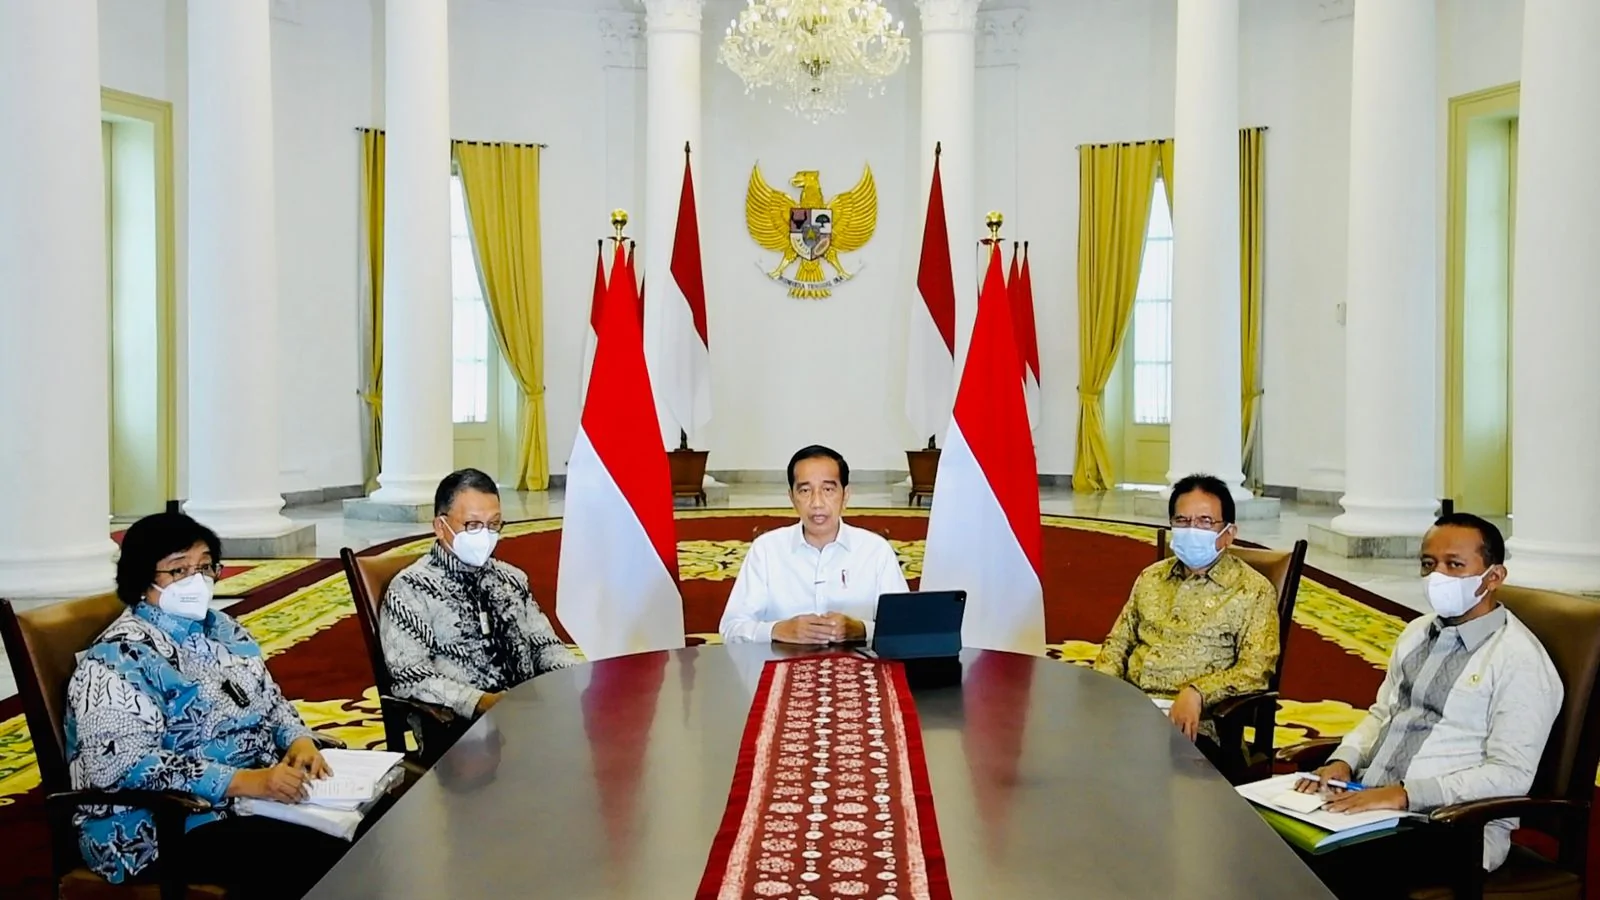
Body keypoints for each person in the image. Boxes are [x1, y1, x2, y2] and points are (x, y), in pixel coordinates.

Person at [65, 512, 348, 897]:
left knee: (368, 823)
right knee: (312, 856)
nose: (196, 582)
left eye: (204, 567)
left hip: (249, 798)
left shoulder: (222, 629)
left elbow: (271, 699)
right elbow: (124, 764)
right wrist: (246, 782)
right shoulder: (118, 658)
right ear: (141, 580)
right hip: (159, 823)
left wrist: (298, 741)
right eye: (178, 571)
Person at [1294, 513, 1561, 897]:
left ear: (1493, 577)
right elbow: (1382, 713)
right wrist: (1344, 760)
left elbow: (1511, 774)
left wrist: (1406, 794)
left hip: (1452, 827)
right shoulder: (1417, 632)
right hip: (1370, 802)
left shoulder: (1519, 660)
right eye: (1428, 564)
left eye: (1454, 565)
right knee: (1265, 834)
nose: (1438, 576)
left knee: (1327, 870)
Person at [1093, 474, 1279, 755]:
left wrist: (1198, 692)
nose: (1192, 529)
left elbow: (1256, 671)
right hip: (1129, 715)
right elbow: (1118, 643)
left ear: (1229, 533)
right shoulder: (1151, 577)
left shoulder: (1252, 590)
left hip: (1196, 728)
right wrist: (1103, 690)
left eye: (1205, 522)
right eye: (1182, 521)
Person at [380, 468, 578, 719]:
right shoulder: (411, 589)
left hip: (531, 714)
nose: (485, 535)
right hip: (462, 729)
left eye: (493, 524)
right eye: (473, 525)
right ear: (440, 527)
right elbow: (411, 677)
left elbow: (545, 646)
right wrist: (482, 702)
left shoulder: (511, 579)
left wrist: (578, 679)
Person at [720, 445, 908, 644]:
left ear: (845, 496)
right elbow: (731, 629)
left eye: (828, 490)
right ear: (792, 498)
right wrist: (777, 630)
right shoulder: (766, 550)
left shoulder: (876, 551)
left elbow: (906, 627)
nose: (817, 502)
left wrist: (862, 629)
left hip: (857, 670)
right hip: (782, 667)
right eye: (805, 490)